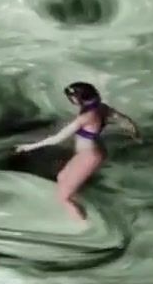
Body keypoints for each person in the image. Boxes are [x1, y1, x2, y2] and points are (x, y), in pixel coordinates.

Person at [14, 82, 140, 222]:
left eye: (72, 97)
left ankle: (84, 226)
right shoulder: (101, 107)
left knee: (63, 197)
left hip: (89, 156)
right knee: (62, 177)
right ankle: (81, 211)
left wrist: (29, 147)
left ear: (80, 97)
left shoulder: (86, 117)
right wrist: (134, 133)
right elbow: (123, 119)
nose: (71, 100)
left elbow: (57, 139)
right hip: (90, 152)